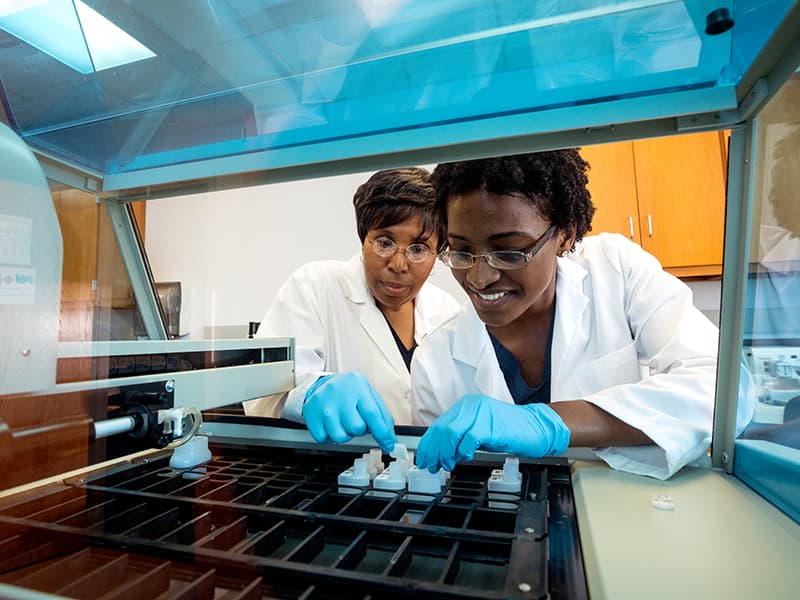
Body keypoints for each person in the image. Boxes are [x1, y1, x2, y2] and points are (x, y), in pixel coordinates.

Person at [411, 150, 719, 480]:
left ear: (566, 234)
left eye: (510, 251)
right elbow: (437, 485)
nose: (479, 278)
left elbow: (720, 388)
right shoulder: (434, 360)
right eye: (462, 251)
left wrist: (551, 423)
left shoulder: (613, 270)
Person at [245, 167, 460, 452]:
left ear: (438, 253)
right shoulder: (315, 286)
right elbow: (261, 395)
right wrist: (310, 394)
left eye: (419, 249)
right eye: (385, 242)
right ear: (363, 240)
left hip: (427, 477)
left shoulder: (448, 311)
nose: (398, 264)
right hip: (333, 472)